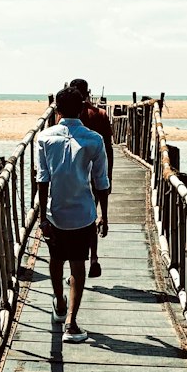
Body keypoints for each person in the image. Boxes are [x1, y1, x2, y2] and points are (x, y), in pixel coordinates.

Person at [36, 85, 110, 343]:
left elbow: (42, 179)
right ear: (83, 107)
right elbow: (101, 181)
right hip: (83, 212)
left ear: (56, 108)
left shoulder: (45, 138)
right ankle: (71, 323)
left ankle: (58, 301)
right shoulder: (94, 139)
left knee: (56, 259)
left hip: (55, 211)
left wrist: (42, 217)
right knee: (78, 264)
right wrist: (105, 215)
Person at [68, 77, 113, 277]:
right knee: (91, 216)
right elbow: (109, 149)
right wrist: (108, 176)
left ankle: (75, 265)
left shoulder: (66, 116)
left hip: (72, 174)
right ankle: (93, 257)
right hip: (95, 173)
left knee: (72, 220)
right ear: (88, 92)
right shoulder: (100, 114)